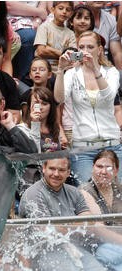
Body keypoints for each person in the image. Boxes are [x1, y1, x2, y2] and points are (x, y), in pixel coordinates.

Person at [54, 31, 122, 185]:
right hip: (83, 148)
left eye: (90, 46)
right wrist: (60, 70)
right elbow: (59, 98)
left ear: (99, 50)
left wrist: (95, 70)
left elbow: (109, 97)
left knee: (118, 194)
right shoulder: (72, 74)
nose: (85, 50)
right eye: (81, 47)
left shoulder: (111, 72)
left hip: (112, 145)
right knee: (87, 196)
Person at [19, 158, 91, 218]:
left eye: (61, 170)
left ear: (68, 172)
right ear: (44, 168)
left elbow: (89, 221)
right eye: (52, 169)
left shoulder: (74, 192)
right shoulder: (34, 194)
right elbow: (47, 230)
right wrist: (79, 224)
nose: (56, 174)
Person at [7, 1, 48, 81]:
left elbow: (43, 10)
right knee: (29, 36)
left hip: (37, 21)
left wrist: (38, 20)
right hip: (13, 22)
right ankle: (25, 80)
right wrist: (39, 12)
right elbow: (9, 6)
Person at [34, 1, 76, 73]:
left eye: (68, 10)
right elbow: (41, 51)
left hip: (62, 71)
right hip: (43, 69)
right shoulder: (44, 27)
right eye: (60, 8)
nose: (64, 12)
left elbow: (73, 57)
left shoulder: (71, 33)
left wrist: (48, 48)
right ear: (52, 10)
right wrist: (63, 54)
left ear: (71, 14)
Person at [81, 150, 122, 215]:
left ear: (116, 171)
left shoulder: (119, 189)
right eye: (99, 167)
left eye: (108, 167)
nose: (103, 172)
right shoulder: (85, 191)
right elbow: (97, 222)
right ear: (93, 168)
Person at [22, 86, 62, 153]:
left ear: (51, 108)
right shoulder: (23, 129)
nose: (40, 107)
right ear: (29, 106)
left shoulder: (55, 128)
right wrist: (35, 123)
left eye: (44, 104)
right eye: (36, 103)